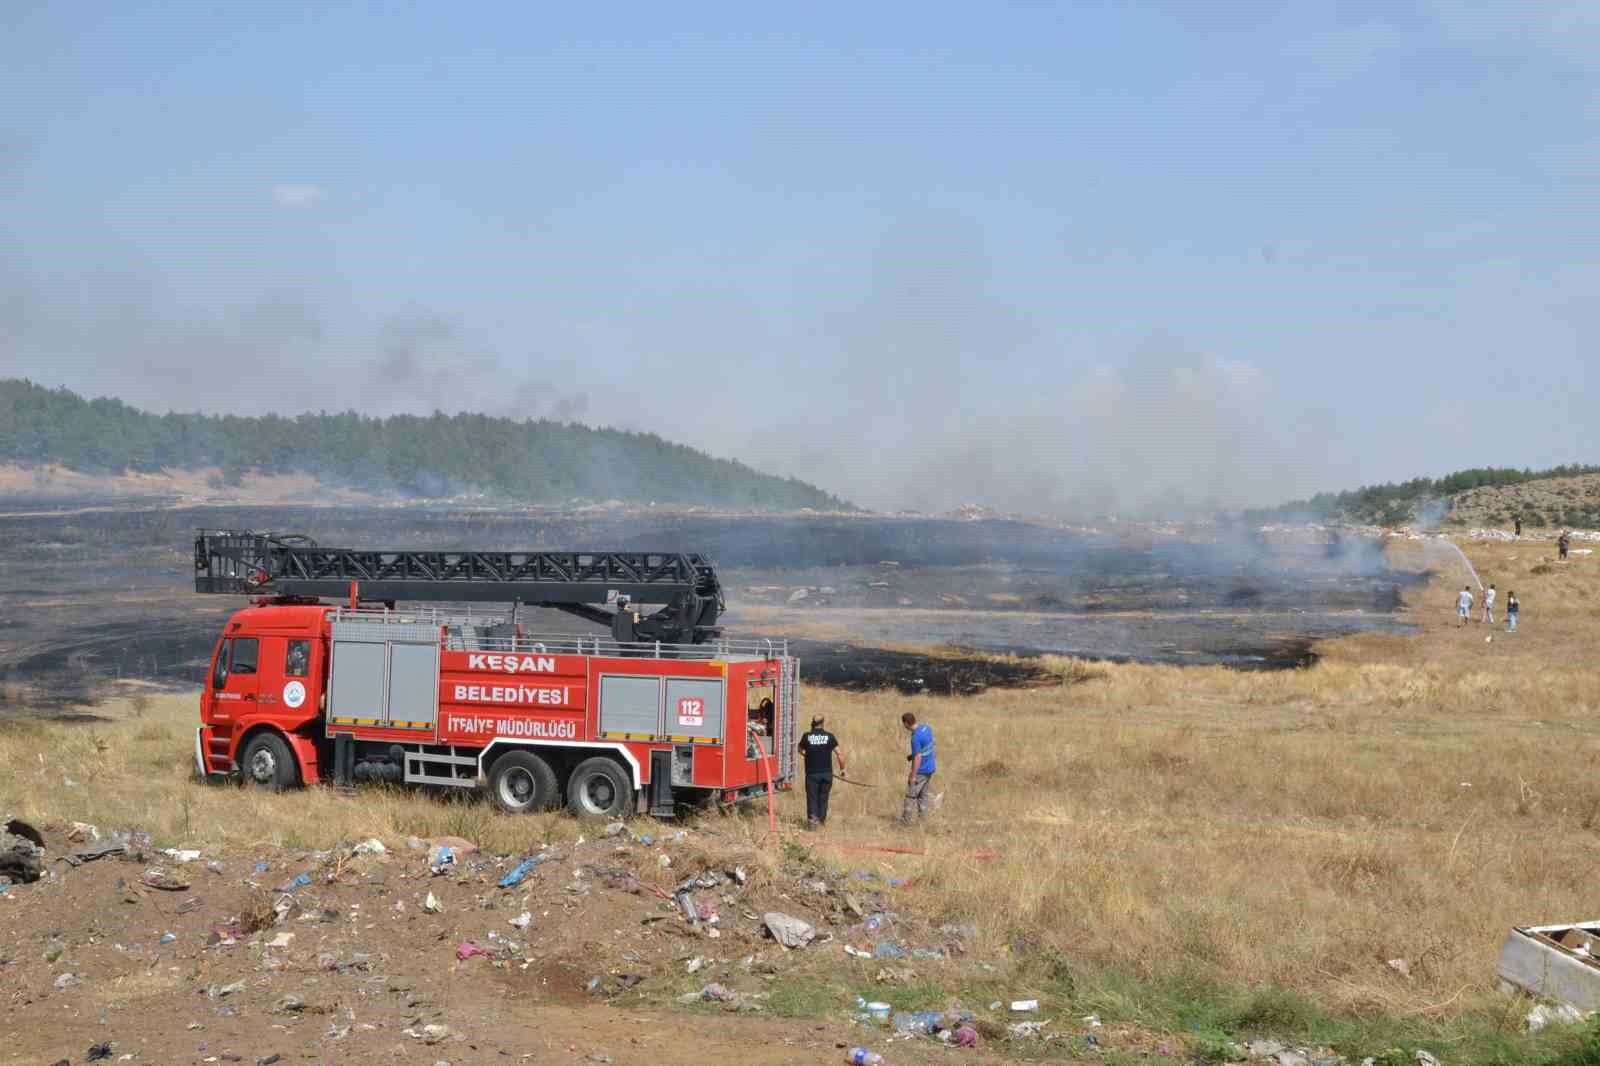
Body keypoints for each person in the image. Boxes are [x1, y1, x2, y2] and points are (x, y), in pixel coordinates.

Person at [798, 715, 844, 827]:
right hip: (827, 774)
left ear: (812, 723)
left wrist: (807, 755)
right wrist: (842, 769)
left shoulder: (806, 736)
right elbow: (840, 754)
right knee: (824, 798)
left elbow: (799, 749)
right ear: (822, 723)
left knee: (812, 797)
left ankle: (813, 821)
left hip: (812, 774)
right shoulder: (829, 737)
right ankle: (821, 820)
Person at [900, 712, 936, 824]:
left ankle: (906, 822)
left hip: (921, 770)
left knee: (910, 796)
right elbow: (930, 743)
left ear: (906, 723)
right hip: (930, 768)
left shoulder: (915, 737)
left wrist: (913, 775)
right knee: (923, 795)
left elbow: (918, 758)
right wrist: (913, 754)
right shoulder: (926, 728)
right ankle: (923, 820)